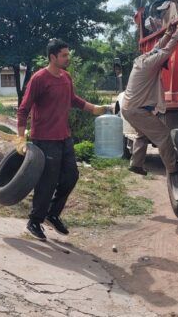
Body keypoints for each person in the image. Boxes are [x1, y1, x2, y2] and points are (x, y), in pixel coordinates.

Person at [16, 39, 108, 241]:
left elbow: (72, 99)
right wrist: (21, 137)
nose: (68, 58)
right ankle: (34, 220)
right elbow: (23, 109)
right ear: (52, 57)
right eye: (64, 55)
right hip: (44, 139)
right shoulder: (39, 79)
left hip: (64, 137)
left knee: (71, 176)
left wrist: (92, 108)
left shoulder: (66, 76)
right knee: (47, 182)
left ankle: (52, 213)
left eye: (68, 54)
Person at [120, 18, 178, 176]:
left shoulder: (142, 60)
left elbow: (157, 48)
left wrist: (169, 32)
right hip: (137, 110)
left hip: (128, 109)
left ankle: (136, 164)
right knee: (163, 136)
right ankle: (173, 169)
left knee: (142, 135)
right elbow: (166, 51)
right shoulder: (150, 64)